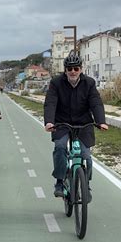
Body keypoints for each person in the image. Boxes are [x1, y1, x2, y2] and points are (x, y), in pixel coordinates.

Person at [44, 53, 108, 203]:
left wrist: (101, 121)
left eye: (76, 68)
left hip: (83, 123)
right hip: (61, 122)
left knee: (87, 158)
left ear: (81, 69)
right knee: (60, 147)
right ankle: (60, 182)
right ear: (65, 70)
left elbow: (96, 103)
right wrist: (49, 122)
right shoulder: (56, 83)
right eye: (69, 68)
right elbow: (50, 103)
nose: (73, 71)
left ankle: (86, 185)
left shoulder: (89, 83)